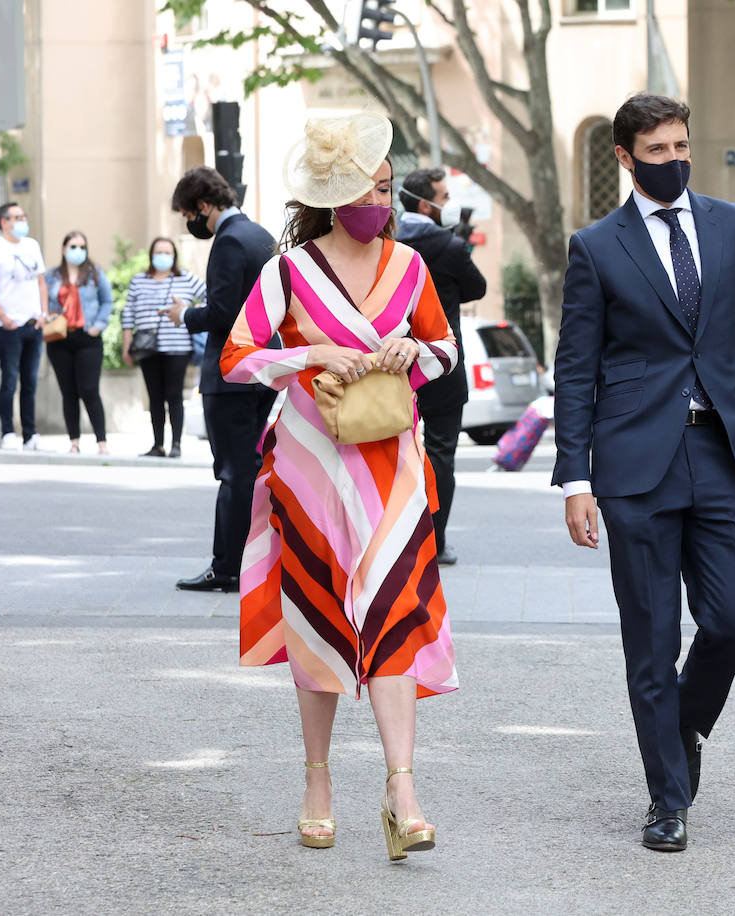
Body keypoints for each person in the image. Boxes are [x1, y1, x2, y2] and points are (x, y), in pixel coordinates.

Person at [552, 94, 735, 852]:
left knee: (733, 622)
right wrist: (575, 477)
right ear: (625, 158)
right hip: (634, 466)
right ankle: (667, 799)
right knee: (650, 638)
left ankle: (683, 724)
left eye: (681, 145)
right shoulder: (596, 247)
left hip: (727, 452)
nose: (673, 160)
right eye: (656, 151)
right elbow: (575, 366)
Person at [219, 112, 460, 859]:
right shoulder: (286, 273)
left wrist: (410, 348)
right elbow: (235, 359)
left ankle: (403, 788)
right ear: (332, 196)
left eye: (387, 189)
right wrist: (312, 352)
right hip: (310, 468)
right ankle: (317, 780)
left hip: (391, 465)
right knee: (319, 617)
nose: (380, 203)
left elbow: (447, 351)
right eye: (367, 190)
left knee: (393, 613)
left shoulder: (410, 267)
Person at [161, 166, 278, 593]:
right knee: (249, 468)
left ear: (203, 206)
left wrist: (184, 315)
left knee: (234, 474)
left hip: (230, 375)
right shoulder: (260, 234)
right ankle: (251, 562)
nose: (190, 223)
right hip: (262, 370)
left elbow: (224, 313)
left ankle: (227, 567)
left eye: (189, 214)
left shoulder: (229, 241)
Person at [396, 166, 486, 565]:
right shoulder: (447, 247)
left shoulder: (389, 242)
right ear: (424, 203)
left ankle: (394, 539)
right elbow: (477, 288)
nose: (448, 205)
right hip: (442, 363)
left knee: (390, 452)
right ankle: (435, 540)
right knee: (441, 453)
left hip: (394, 363)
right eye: (443, 197)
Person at [121, 237, 204, 458]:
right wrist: (126, 344)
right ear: (151, 255)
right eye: (159, 252)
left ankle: (176, 443)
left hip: (177, 347)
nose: (163, 256)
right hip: (147, 348)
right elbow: (128, 312)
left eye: (167, 253)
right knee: (154, 395)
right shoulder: (139, 280)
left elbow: (210, 296)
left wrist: (191, 313)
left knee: (174, 394)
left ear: (174, 256)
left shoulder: (185, 278)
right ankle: (157, 445)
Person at [44, 231, 112, 454]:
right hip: (60, 337)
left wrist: (98, 325)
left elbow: (107, 301)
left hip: (87, 337)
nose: (78, 251)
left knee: (90, 389)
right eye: (73, 246)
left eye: (82, 247)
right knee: (68, 391)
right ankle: (74, 442)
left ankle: (102, 442)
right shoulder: (52, 276)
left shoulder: (94, 273)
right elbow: (42, 301)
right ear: (64, 249)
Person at [0, 201, 50, 450]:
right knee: (10, 380)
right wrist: (4, 318)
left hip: (33, 324)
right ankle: (8, 433)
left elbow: (41, 283)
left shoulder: (32, 246)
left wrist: (43, 313)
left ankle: (30, 434)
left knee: (30, 381)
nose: (23, 221)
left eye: (24, 216)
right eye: (18, 217)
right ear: (4, 222)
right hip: (8, 327)